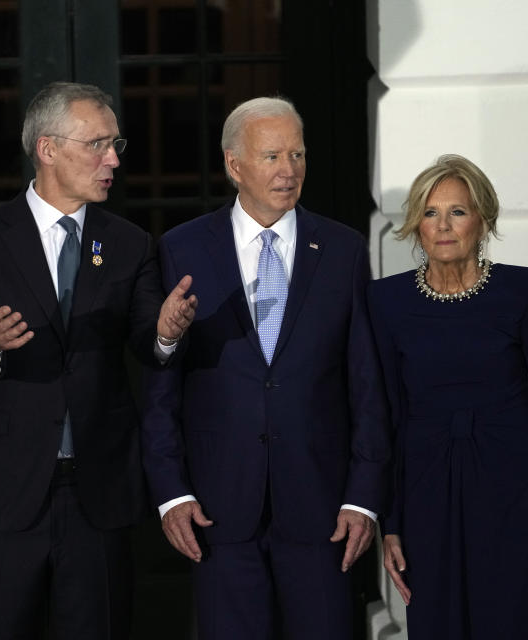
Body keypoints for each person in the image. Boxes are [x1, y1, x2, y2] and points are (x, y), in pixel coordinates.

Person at [0, 81, 195, 639]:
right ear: (48, 149)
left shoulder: (129, 242)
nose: (113, 160)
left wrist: (168, 333)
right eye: (98, 144)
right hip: (2, 492)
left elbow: (148, 340)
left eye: (116, 144)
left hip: (96, 492)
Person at [140, 96, 392, 639]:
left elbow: (366, 382)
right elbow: (160, 384)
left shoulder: (344, 249)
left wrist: (363, 496)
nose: (289, 170)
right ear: (234, 165)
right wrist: (171, 492)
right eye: (273, 156)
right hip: (217, 509)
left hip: (324, 510)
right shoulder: (181, 249)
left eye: (298, 155)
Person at [367, 154, 528, 638]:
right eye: (429, 212)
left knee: (520, 620)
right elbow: (388, 419)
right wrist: (391, 523)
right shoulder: (385, 301)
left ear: (482, 219)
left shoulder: (524, 290)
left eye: (457, 212)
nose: (443, 226)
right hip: (427, 495)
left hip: (518, 492)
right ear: (416, 226)